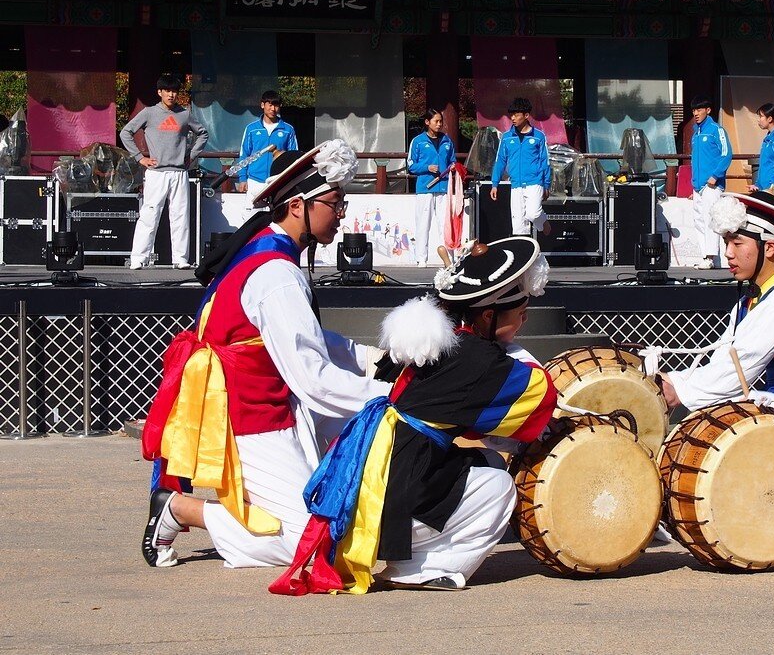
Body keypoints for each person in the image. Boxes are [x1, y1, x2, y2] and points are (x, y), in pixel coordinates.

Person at [140, 139, 396, 571]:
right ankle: (181, 509)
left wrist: (372, 358)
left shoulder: (268, 249)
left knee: (335, 515)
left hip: (265, 405)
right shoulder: (276, 272)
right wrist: (391, 393)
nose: (341, 213)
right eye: (335, 202)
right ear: (298, 205)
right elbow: (313, 378)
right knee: (314, 544)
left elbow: (295, 337)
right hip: (251, 417)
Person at [271, 236, 557, 595]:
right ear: (488, 315)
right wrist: (513, 349)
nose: (523, 322)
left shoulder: (439, 338)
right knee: (499, 488)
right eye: (519, 316)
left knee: (488, 461)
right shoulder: (477, 360)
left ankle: (408, 558)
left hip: (382, 469)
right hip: (394, 492)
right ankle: (423, 567)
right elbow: (541, 395)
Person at [658, 192, 774, 413]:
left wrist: (679, 390)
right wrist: (673, 379)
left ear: (769, 247)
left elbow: (745, 361)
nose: (728, 253)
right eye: (726, 242)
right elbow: (724, 356)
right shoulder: (751, 297)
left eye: (737, 243)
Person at [120, 75, 209, 269]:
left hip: (179, 172)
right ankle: (138, 258)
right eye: (167, 90)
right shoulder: (149, 113)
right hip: (156, 172)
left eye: (174, 91)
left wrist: (191, 155)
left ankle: (180, 259)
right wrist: (139, 157)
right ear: (160, 92)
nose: (171, 94)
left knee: (180, 216)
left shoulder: (184, 114)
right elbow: (125, 132)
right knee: (150, 214)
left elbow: (203, 133)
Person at [490, 98, 551, 237]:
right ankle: (523, 256)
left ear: (526, 115)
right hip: (515, 183)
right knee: (518, 225)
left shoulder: (539, 136)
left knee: (533, 214)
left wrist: (546, 185)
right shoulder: (506, 137)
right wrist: (495, 183)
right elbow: (500, 160)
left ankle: (543, 221)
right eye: (511, 115)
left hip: (534, 182)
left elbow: (545, 161)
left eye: (516, 115)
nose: (513, 118)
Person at [407, 108, 457, 267]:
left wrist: (453, 168)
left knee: (445, 225)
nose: (439, 124)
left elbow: (452, 161)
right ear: (427, 122)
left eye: (441, 121)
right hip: (425, 188)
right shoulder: (418, 141)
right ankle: (421, 258)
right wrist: (426, 167)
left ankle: (449, 259)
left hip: (443, 189)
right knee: (423, 224)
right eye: (436, 121)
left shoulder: (447, 141)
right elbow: (411, 166)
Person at [688, 95, 733, 269]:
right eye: (693, 110)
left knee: (710, 219)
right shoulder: (695, 133)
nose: (696, 113)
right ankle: (705, 255)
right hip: (697, 185)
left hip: (711, 184)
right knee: (699, 220)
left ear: (708, 110)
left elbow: (726, 153)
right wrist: (693, 182)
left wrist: (716, 175)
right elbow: (695, 160)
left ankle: (711, 256)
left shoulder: (716, 130)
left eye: (699, 109)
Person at [237, 90, 298, 200]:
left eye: (276, 105)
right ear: (262, 105)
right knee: (251, 215)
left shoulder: (288, 130)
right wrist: (242, 179)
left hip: (279, 180)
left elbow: (293, 156)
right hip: (254, 181)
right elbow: (244, 154)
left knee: (278, 216)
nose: (273, 109)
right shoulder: (251, 129)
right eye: (270, 105)